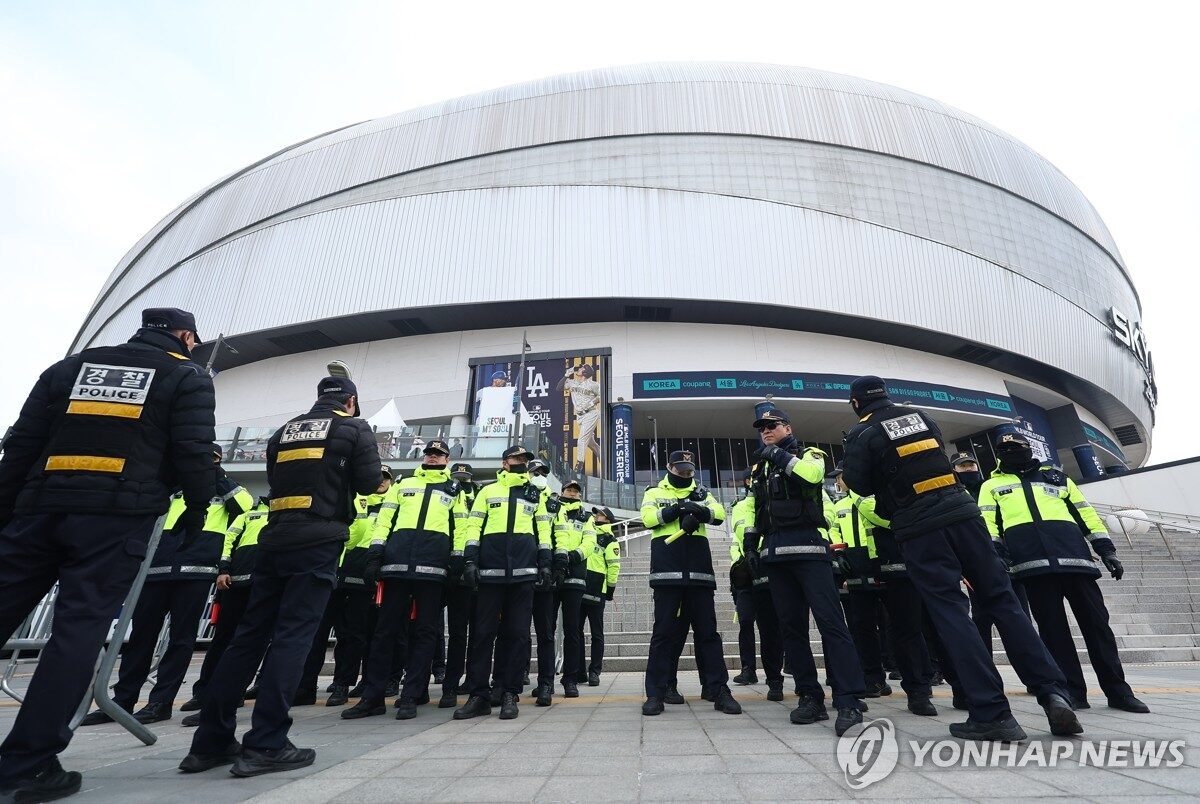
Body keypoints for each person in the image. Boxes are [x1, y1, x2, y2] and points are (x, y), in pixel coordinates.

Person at [0, 307, 216, 802]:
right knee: (78, 633)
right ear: (184, 336)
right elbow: (193, 450)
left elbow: (20, 447)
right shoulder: (185, 376)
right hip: (115, 517)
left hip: (37, 508)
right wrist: (200, 505)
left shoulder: (68, 368)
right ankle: (26, 764)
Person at [842, 375, 1081, 741]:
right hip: (964, 515)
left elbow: (859, 484)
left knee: (951, 611)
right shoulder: (920, 416)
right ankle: (1053, 692)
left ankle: (992, 712)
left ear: (857, 404)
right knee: (1004, 601)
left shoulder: (861, 433)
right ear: (886, 396)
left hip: (920, 527)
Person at [180, 376, 380, 777]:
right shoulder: (355, 428)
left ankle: (210, 743)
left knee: (248, 638)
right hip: (318, 539)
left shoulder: (284, 430)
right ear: (351, 401)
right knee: (292, 638)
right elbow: (370, 482)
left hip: (274, 540)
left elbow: (274, 478)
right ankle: (266, 743)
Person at [979, 432, 1148, 714]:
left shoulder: (1057, 478)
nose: (1009, 451)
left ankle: (1118, 692)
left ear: (1028, 448)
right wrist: (998, 556)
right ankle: (1073, 693)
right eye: (1003, 449)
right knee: (1053, 633)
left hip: (1076, 563)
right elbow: (988, 523)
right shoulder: (992, 485)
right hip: (1032, 568)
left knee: (1098, 629)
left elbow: (1086, 514)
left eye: (1015, 447)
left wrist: (1106, 550)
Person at [80, 455, 249, 726]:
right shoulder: (169, 489)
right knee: (141, 639)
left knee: (181, 640)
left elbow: (245, 506)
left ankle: (161, 702)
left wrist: (215, 473)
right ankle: (122, 701)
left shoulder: (223, 490)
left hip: (196, 572)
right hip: (155, 571)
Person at [743, 409, 866, 736]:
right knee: (791, 630)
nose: (766, 431)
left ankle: (848, 698)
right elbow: (760, 507)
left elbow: (812, 476)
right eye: (762, 429)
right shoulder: (761, 467)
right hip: (776, 555)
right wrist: (752, 543)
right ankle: (809, 695)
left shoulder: (808, 453)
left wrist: (778, 453)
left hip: (810, 551)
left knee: (831, 624)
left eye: (772, 426)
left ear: (788, 427)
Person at [454, 446, 552, 720]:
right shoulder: (487, 491)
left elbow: (543, 528)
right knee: (483, 634)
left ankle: (510, 693)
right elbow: (474, 527)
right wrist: (470, 560)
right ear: (505, 462)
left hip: (523, 574)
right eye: (517, 459)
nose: (522, 463)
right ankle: (478, 695)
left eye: (525, 460)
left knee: (518, 635)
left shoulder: (536, 493)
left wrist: (545, 562)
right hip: (490, 574)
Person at [640, 451, 741, 716]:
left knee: (708, 633)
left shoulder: (701, 492)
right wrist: (676, 510)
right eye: (681, 469)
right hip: (667, 573)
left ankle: (718, 689)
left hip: (699, 573)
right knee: (663, 634)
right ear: (669, 467)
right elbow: (649, 519)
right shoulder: (653, 492)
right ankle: (656, 693)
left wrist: (699, 510)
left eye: (689, 469)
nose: (686, 473)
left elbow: (718, 513)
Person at [831, 468, 937, 716]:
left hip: (890, 565)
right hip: (857, 569)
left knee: (905, 628)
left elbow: (881, 517)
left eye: (841, 476)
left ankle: (920, 687)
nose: (838, 481)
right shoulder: (839, 506)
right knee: (862, 628)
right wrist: (838, 554)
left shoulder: (874, 496)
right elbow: (834, 530)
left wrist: (859, 496)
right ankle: (873, 680)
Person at [297, 467, 390, 708]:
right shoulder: (355, 498)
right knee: (317, 634)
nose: (380, 481)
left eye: (385, 478)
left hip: (362, 576)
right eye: (377, 476)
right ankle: (305, 685)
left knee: (353, 634)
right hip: (333, 571)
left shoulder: (390, 504)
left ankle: (342, 684)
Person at [181, 496, 272, 727]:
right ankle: (204, 693)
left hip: (265, 583)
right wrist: (223, 568)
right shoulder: (249, 510)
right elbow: (229, 539)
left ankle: (234, 694)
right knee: (223, 640)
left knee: (255, 642)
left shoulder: (288, 513)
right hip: (235, 584)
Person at [952, 451, 1033, 656]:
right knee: (982, 616)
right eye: (963, 466)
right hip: (975, 564)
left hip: (1006, 559)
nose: (968, 469)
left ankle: (1030, 662)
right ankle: (985, 662)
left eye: (971, 465)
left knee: (1020, 614)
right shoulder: (953, 493)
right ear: (954, 470)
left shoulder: (991, 488)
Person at [728, 473, 785, 701]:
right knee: (745, 623)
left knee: (770, 626)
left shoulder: (771, 502)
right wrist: (737, 564)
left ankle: (774, 678)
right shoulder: (740, 507)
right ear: (747, 482)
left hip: (767, 568)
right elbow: (736, 539)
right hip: (744, 575)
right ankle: (748, 669)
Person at [438, 462, 477, 708]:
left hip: (473, 574)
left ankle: (472, 680)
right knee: (457, 633)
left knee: (476, 634)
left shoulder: (479, 498)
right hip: (449, 572)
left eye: (464, 479)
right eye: (457, 478)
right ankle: (450, 684)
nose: (461, 483)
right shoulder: (445, 497)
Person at [550, 481, 595, 698]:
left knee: (572, 631)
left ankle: (571, 679)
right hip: (552, 575)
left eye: (576, 491)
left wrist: (574, 555)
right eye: (569, 490)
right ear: (562, 492)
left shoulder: (587, 517)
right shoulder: (552, 509)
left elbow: (590, 542)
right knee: (547, 630)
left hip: (575, 576)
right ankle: (546, 679)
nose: (572, 493)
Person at [528, 460, 562, 707]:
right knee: (514, 631)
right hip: (517, 570)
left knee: (546, 632)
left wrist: (558, 564)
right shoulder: (517, 495)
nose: (538, 475)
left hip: (545, 572)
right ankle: (509, 681)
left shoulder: (554, 502)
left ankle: (546, 683)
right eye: (534, 472)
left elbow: (560, 532)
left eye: (542, 473)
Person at [579, 507, 620, 685]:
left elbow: (614, 567)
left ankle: (595, 671)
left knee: (597, 633)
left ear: (608, 520)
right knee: (575, 632)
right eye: (596, 514)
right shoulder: (585, 531)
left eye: (601, 514)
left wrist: (610, 590)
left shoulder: (610, 540)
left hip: (598, 590)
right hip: (579, 587)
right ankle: (579, 671)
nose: (597, 516)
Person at [558, 364, 601, 475]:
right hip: (580, 416)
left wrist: (591, 402)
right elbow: (559, 388)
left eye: (582, 368)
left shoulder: (594, 385)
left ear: (585, 372)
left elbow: (601, 395)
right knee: (591, 444)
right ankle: (605, 459)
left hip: (591, 414)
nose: (579, 369)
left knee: (581, 439)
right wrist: (566, 375)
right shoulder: (573, 382)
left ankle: (578, 467)